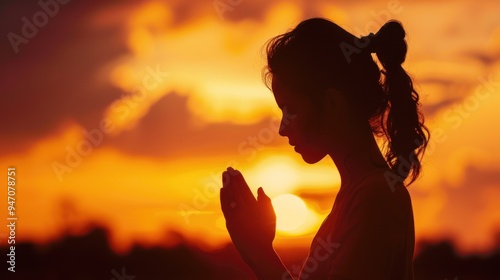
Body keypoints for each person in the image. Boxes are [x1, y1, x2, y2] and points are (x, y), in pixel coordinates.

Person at [220, 17, 429, 280]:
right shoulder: (357, 195)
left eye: (291, 109)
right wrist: (260, 249)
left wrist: (260, 253)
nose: (283, 128)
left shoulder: (375, 199)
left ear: (331, 103)